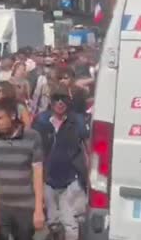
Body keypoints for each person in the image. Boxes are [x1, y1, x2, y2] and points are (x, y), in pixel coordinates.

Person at [32, 87, 89, 240]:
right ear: (50, 101)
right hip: (48, 179)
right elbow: (33, 150)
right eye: (56, 98)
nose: (60, 102)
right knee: (53, 222)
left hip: (72, 178)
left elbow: (87, 147)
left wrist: (89, 174)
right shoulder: (40, 121)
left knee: (70, 222)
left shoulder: (77, 120)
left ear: (69, 101)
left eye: (63, 99)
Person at [0, 100, 45, 240]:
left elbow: (38, 174)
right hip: (0, 208)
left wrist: (38, 209)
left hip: (24, 208)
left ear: (12, 116)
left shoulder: (32, 137)